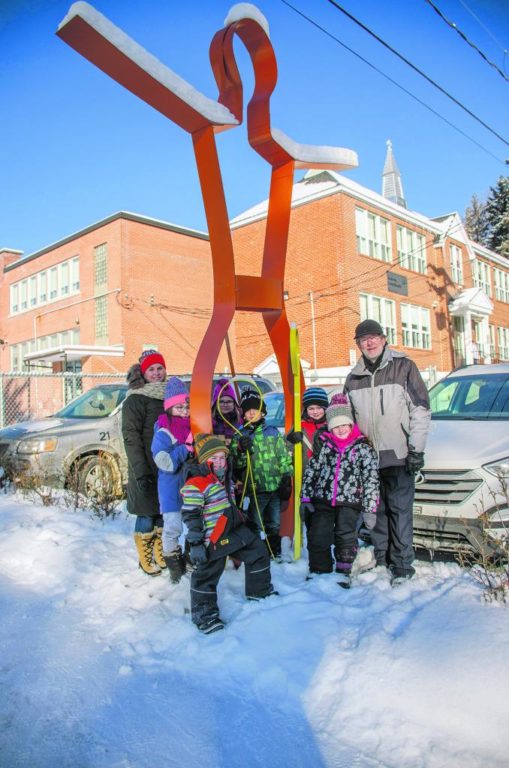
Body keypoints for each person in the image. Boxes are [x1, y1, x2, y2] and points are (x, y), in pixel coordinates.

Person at [344, 319, 431, 584]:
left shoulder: (404, 367)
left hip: (399, 453)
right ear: (358, 345)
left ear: (383, 339)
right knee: (376, 511)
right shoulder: (353, 377)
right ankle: (383, 558)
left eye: (373, 337)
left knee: (400, 511)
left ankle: (403, 566)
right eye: (363, 339)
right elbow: (346, 420)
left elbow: (420, 410)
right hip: (368, 459)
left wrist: (416, 449)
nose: (369, 343)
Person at [181, 433, 276, 634]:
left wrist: (245, 522)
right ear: (204, 460)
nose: (218, 462)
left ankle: (259, 591)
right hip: (212, 537)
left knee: (258, 550)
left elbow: (230, 506)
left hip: (232, 530)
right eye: (213, 458)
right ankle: (205, 617)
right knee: (206, 575)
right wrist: (196, 543)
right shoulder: (196, 483)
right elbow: (191, 515)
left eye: (222, 457)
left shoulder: (225, 478)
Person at [301, 393, 379, 583]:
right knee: (317, 535)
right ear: (330, 427)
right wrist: (306, 497)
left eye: (344, 424)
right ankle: (319, 571)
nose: (341, 429)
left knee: (345, 536)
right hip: (323, 499)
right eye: (336, 426)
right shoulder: (326, 445)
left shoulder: (362, 447)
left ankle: (343, 572)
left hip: (350, 502)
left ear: (351, 424)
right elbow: (313, 469)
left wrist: (370, 508)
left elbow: (371, 479)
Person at [230, 389, 293, 559]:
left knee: (274, 521)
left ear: (262, 411)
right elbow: (238, 463)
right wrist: (241, 449)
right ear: (243, 414)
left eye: (255, 409)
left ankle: (274, 549)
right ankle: (256, 551)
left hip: (275, 486)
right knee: (255, 521)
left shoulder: (272, 432)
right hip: (255, 488)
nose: (252, 413)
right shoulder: (240, 435)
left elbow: (282, 456)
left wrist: (287, 476)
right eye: (248, 410)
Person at [122, 349, 168, 577]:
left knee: (162, 512)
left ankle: (159, 553)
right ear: (143, 372)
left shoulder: (169, 395)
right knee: (146, 513)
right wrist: (141, 472)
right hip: (144, 467)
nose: (157, 373)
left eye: (160, 368)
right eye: (151, 369)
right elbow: (131, 438)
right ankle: (145, 557)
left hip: (166, 466)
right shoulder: (135, 399)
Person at [151, 376, 194, 583]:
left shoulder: (193, 427)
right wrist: (184, 450)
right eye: (178, 408)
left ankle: (191, 560)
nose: (184, 411)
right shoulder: (163, 432)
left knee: (196, 526)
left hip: (191, 488)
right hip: (171, 489)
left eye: (186, 407)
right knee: (173, 527)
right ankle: (175, 568)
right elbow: (165, 462)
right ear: (169, 408)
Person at [211, 377, 242, 445]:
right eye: (221, 401)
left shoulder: (240, 421)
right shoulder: (209, 422)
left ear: (234, 403)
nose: (225, 405)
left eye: (229, 401)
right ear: (216, 403)